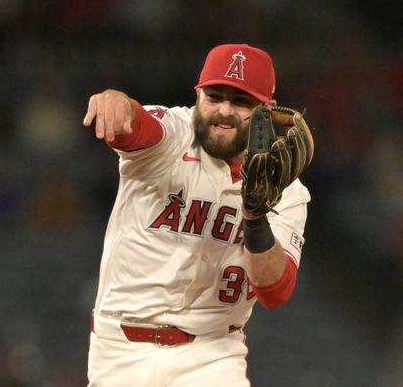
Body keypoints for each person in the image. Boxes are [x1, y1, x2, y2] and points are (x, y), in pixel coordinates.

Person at [82, 43, 310, 386]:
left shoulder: (287, 190)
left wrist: (255, 217)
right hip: (120, 351)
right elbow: (138, 126)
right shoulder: (175, 133)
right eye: (214, 96)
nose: (224, 110)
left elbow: (274, 291)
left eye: (241, 101)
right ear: (198, 95)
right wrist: (117, 101)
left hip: (212, 354)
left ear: (268, 110)